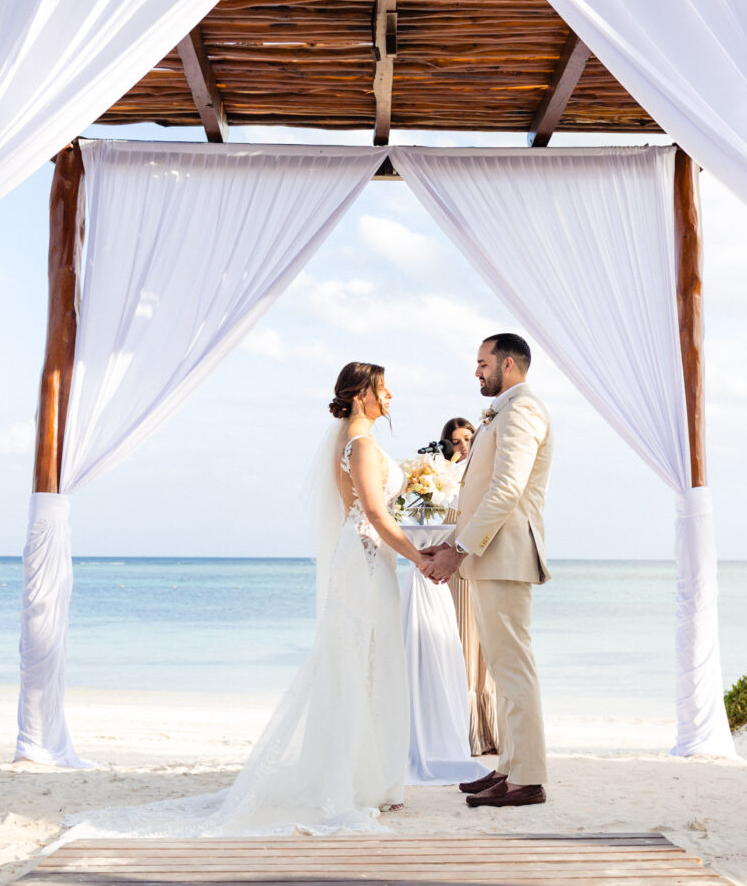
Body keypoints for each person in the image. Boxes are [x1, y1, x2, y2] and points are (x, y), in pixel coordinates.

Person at [64, 362, 426, 838]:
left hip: (368, 557)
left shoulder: (354, 440)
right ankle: (352, 784)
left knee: (367, 663)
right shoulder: (359, 444)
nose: (390, 396)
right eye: (383, 389)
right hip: (364, 560)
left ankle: (367, 778)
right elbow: (374, 515)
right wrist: (420, 558)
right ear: (362, 395)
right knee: (360, 663)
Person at [421, 332, 553, 809]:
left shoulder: (523, 410)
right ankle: (510, 768)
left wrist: (459, 550)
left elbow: (506, 490)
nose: (477, 371)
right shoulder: (504, 411)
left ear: (508, 364)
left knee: (513, 668)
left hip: (506, 554)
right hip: (489, 555)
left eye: (483, 362)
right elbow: (479, 492)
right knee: (501, 668)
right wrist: (452, 540)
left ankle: (529, 779)